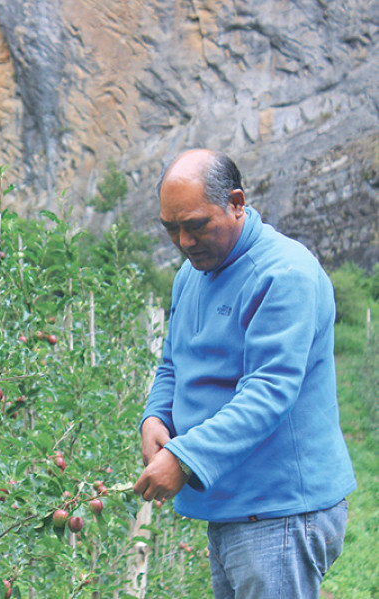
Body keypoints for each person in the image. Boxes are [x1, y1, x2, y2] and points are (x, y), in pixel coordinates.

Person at [133, 149, 356, 598]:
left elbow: (269, 392)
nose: (184, 241)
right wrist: (156, 416)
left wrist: (184, 458)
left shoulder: (284, 274)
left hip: (281, 510)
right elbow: (174, 361)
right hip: (232, 504)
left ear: (236, 202)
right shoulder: (191, 274)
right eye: (170, 228)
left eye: (196, 225)